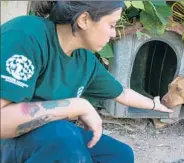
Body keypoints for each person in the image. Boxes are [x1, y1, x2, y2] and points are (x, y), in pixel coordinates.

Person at [0, 1, 173, 163]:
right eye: (111, 25)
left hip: (51, 137)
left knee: (120, 155)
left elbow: (122, 93)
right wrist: (75, 106)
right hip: (9, 140)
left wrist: (155, 105)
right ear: (84, 20)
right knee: (64, 139)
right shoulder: (27, 34)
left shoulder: (84, 60)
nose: (114, 33)